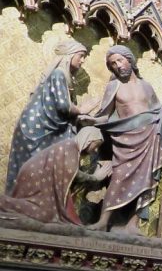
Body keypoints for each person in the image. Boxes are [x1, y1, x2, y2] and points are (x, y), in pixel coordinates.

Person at [85, 45, 162, 232]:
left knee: (146, 180)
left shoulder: (146, 86)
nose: (117, 66)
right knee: (118, 178)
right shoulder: (114, 86)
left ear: (130, 60)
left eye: (120, 60)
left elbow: (157, 110)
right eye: (113, 64)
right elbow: (106, 114)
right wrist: (91, 119)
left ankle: (133, 224)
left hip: (149, 137)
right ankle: (104, 221)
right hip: (125, 141)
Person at [6, 40, 99, 191]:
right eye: (81, 56)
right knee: (32, 171)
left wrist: (80, 118)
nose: (82, 61)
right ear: (69, 56)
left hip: (42, 131)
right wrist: (81, 109)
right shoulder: (59, 74)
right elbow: (63, 106)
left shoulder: (65, 78)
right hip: (35, 131)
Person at [0, 127, 107, 223]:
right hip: (35, 179)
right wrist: (95, 177)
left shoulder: (72, 148)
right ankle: (4, 202)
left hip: (38, 180)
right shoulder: (71, 146)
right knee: (44, 214)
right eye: (96, 145)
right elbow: (73, 173)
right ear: (88, 140)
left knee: (48, 214)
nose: (96, 150)